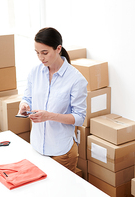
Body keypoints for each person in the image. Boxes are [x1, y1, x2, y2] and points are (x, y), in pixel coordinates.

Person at [18, 27, 88, 172]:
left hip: (61, 152)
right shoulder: (35, 72)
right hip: (37, 147)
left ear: (58, 49)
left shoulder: (76, 79)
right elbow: (27, 97)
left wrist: (48, 116)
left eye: (45, 53)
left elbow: (79, 118)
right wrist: (24, 104)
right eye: (37, 53)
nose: (40, 58)